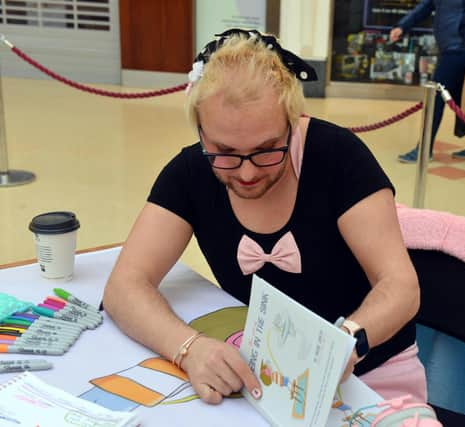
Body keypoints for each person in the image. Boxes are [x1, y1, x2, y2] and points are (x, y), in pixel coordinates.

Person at [102, 29, 425, 406]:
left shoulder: (338, 157)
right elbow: (124, 287)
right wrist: (189, 348)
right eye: (224, 151)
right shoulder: (190, 172)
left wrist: (348, 340)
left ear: (293, 120)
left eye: (267, 149)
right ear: (201, 131)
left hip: (373, 376)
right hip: (265, 379)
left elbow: (401, 286)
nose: (248, 173)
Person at [390, 0, 465, 162]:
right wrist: (402, 26)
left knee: (435, 98)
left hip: (463, 47)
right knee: (458, 99)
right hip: (450, 47)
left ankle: (424, 150)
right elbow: (426, 5)